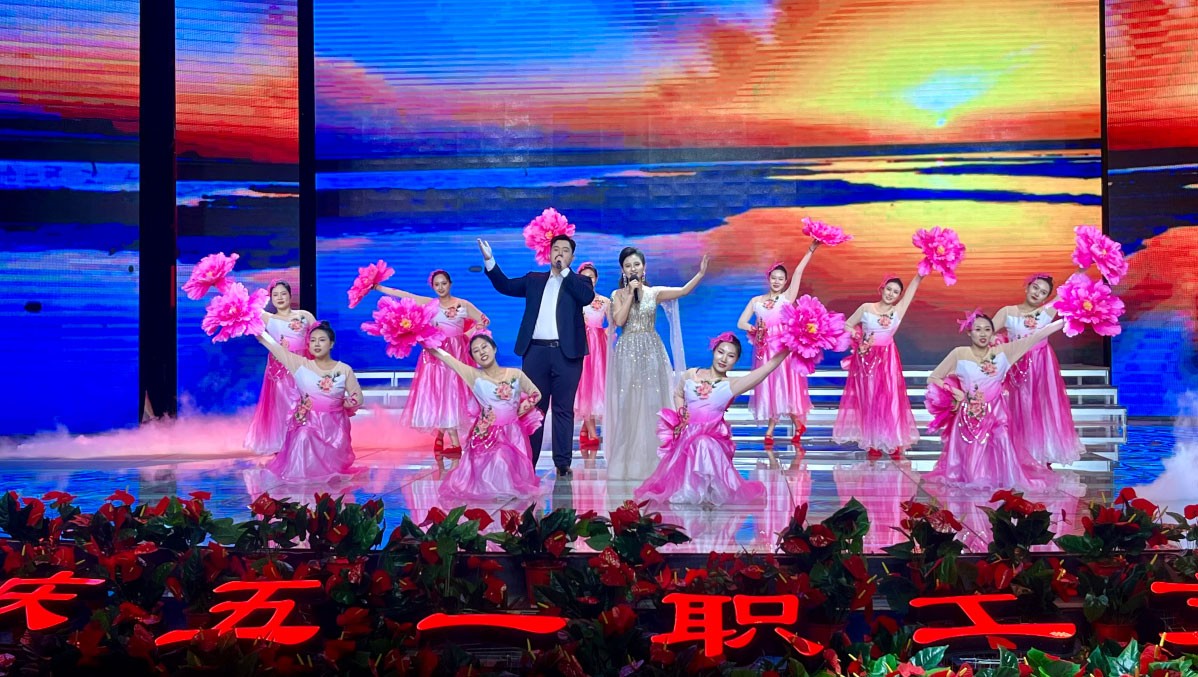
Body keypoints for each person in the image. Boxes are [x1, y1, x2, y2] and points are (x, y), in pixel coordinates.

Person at [478, 235, 595, 476]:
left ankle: (562, 463)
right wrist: (490, 260)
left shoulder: (580, 281)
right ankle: (528, 461)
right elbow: (505, 286)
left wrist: (565, 272)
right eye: (555, 249)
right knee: (533, 408)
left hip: (567, 354)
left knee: (563, 408)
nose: (559, 253)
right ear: (548, 253)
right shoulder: (534, 280)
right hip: (535, 352)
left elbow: (586, 298)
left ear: (572, 257)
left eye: (565, 250)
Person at [635, 333, 789, 506]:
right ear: (713, 351)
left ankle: (708, 490)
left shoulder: (732, 385)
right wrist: (681, 414)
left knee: (703, 442)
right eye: (720, 352)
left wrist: (788, 349)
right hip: (687, 436)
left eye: (730, 356)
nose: (723, 359)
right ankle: (692, 489)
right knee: (696, 444)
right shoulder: (691, 374)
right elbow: (678, 393)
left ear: (736, 360)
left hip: (713, 438)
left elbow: (767, 369)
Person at [923, 312, 1065, 490]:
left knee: (1002, 441)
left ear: (992, 333)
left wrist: (1067, 319)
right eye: (978, 329)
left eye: (987, 329)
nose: (982, 334)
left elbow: (1037, 336)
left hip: (997, 412)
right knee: (972, 467)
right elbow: (934, 377)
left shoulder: (1004, 352)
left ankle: (1007, 480)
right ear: (969, 333)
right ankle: (975, 478)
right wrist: (955, 392)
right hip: (970, 414)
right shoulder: (959, 353)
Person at [606, 247, 709, 481]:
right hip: (627, 352)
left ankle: (656, 459)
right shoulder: (617, 294)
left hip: (651, 351)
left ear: (644, 268)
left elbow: (683, 291)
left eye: (636, 264)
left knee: (653, 401)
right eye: (628, 266)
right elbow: (619, 320)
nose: (633, 269)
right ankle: (629, 462)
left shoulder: (654, 293)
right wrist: (630, 294)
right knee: (629, 403)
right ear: (623, 270)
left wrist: (701, 274)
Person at [372, 270, 488, 467]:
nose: (441, 287)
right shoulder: (429, 304)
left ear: (450, 284)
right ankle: (445, 437)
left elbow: (484, 320)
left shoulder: (463, 304)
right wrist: (378, 287)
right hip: (435, 354)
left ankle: (452, 441)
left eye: (444, 283)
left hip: (456, 354)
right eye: (437, 284)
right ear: (433, 287)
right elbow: (404, 295)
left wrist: (465, 335)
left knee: (452, 393)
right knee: (439, 394)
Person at [429, 334, 543, 502]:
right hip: (486, 433)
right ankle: (498, 493)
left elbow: (536, 394)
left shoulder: (515, 374)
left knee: (511, 468)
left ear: (494, 348)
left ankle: (505, 492)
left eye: (484, 347)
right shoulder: (473, 375)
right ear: (473, 357)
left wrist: (518, 411)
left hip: (513, 432)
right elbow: (447, 359)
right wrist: (424, 339)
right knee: (500, 459)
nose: (482, 352)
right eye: (476, 351)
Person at [736, 241, 820, 463]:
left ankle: (778, 428)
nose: (777, 281)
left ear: (785, 282)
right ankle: (789, 426)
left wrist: (810, 250)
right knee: (769, 386)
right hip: (764, 349)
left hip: (783, 348)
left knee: (784, 386)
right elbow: (741, 322)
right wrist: (754, 329)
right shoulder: (756, 301)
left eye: (781, 279)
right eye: (774, 278)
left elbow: (799, 272)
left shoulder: (786, 299)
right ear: (769, 279)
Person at [992, 275, 1083, 466]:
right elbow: (985, 330)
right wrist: (997, 343)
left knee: (1043, 407)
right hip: (1017, 366)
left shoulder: (1046, 312)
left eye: (1043, 292)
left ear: (1045, 298)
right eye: (1035, 288)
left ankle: (1044, 453)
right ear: (1027, 287)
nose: (1037, 293)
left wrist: (1084, 266)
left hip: (1042, 366)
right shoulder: (1008, 312)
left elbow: (1068, 286)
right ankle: (1022, 453)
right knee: (1020, 407)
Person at [254, 321, 363, 482]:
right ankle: (299, 483)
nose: (316, 344)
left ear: (331, 344)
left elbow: (357, 397)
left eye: (322, 340)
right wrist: (252, 326)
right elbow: (273, 346)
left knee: (332, 467)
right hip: (307, 420)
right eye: (312, 340)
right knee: (303, 436)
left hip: (334, 426)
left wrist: (342, 404)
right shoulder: (299, 364)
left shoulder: (343, 369)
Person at [834, 273, 924, 458]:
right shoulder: (866, 307)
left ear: (899, 296)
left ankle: (894, 440)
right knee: (869, 399)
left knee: (891, 398)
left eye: (896, 292)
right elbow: (847, 325)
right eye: (888, 289)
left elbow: (911, 292)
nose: (891, 294)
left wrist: (919, 277)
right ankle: (872, 441)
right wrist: (858, 336)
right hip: (866, 359)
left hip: (888, 359)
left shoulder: (898, 311)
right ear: (882, 289)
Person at [244, 280, 316, 455]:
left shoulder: (304, 315)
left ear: (290, 295)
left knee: (307, 402)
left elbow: (319, 337)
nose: (280, 298)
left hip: (303, 364)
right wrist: (220, 284)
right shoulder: (267, 318)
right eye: (275, 295)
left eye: (283, 293)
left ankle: (306, 440)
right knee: (283, 405)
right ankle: (283, 442)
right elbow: (243, 306)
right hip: (280, 368)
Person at [574, 262, 613, 458]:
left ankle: (587, 430)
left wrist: (606, 333)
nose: (588, 280)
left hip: (598, 347)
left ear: (596, 279)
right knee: (584, 386)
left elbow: (614, 322)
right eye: (584, 277)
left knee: (596, 387)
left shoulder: (604, 301)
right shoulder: (574, 300)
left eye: (591, 277)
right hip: (580, 345)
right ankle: (591, 433)